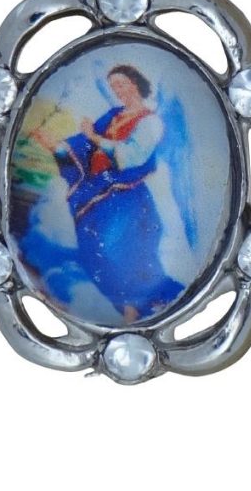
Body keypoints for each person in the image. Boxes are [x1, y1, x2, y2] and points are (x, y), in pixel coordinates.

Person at [31, 64, 184, 323]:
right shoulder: (113, 115)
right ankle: (127, 309)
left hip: (127, 197)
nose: (118, 90)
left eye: (121, 84)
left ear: (135, 83)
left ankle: (140, 309)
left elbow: (132, 155)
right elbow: (83, 146)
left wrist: (95, 137)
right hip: (96, 194)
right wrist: (57, 147)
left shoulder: (150, 121)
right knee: (93, 251)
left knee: (122, 249)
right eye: (113, 86)